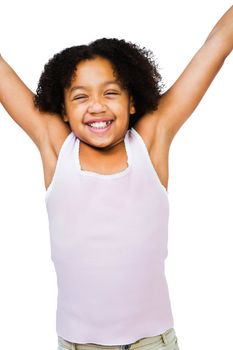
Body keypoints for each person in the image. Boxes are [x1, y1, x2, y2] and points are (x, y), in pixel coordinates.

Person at [0, 5, 232, 350]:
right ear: (63, 110)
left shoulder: (150, 142)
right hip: (78, 344)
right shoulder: (56, 147)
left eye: (110, 93)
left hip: (152, 342)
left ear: (132, 102)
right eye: (80, 97)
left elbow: (215, 45)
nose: (96, 106)